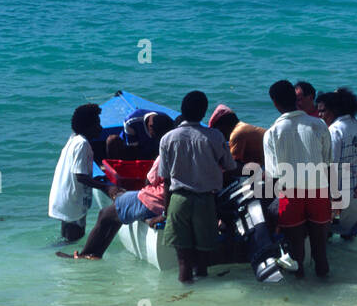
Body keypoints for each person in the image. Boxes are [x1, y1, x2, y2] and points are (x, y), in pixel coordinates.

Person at [61, 113, 175, 260]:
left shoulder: (165, 152)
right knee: (117, 211)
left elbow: (150, 180)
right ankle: (95, 254)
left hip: (156, 201)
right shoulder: (186, 149)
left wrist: (109, 188)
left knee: (105, 214)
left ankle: (86, 255)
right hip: (172, 200)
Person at [159, 91, 236, 283]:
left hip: (178, 200)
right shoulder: (215, 136)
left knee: (183, 261)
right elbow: (230, 167)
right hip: (205, 201)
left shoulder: (168, 138)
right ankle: (202, 297)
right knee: (203, 261)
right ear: (203, 113)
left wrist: (166, 212)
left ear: (183, 111)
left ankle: (185, 296)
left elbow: (166, 179)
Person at [264, 80, 333, 278]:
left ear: (275, 103)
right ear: (295, 99)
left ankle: (302, 297)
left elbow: (273, 176)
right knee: (321, 252)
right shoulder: (318, 124)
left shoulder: (271, 133)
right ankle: (325, 288)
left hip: (290, 195)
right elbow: (329, 163)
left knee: (296, 255)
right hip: (319, 191)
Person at [316, 88, 357, 240]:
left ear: (334, 109)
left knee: (327, 237)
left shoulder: (334, 131)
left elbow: (331, 166)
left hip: (342, 195)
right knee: (350, 239)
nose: (319, 115)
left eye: (323, 111)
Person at [48, 103, 104, 242]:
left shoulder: (74, 138)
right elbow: (81, 176)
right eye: (97, 124)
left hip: (66, 199)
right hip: (73, 201)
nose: (101, 127)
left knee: (66, 239)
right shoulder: (82, 144)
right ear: (87, 127)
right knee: (74, 238)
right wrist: (107, 187)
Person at [208, 104, 266, 174]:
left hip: (268, 166)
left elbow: (233, 166)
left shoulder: (236, 134)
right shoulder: (241, 127)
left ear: (223, 125)